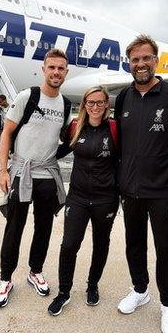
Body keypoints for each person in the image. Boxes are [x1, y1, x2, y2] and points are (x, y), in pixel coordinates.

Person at [114, 35, 168, 333]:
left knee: (166, 249)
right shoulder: (123, 97)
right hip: (130, 190)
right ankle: (140, 290)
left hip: (163, 190)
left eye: (146, 58)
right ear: (129, 63)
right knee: (134, 244)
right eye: (135, 59)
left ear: (155, 60)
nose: (141, 64)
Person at [0, 49, 71, 308]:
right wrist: (3, 170)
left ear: (66, 72)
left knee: (44, 228)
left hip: (47, 175)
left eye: (61, 68)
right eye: (52, 67)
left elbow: (65, 139)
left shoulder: (66, 104)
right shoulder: (28, 96)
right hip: (21, 173)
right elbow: (6, 133)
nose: (56, 72)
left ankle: (35, 271)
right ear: (44, 69)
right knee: (14, 228)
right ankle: (5, 278)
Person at [47, 86, 119, 316]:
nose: (95, 107)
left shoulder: (116, 129)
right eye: (90, 102)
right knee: (69, 245)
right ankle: (64, 292)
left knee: (101, 244)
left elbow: (129, 160)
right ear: (84, 104)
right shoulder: (76, 127)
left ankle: (92, 285)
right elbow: (58, 151)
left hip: (105, 200)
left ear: (107, 104)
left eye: (99, 102)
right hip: (77, 197)